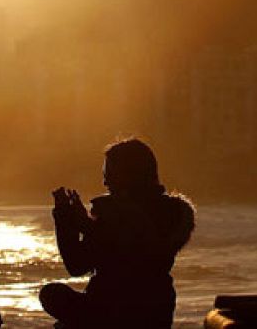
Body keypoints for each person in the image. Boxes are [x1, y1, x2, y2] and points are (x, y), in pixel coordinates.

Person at [40, 138, 195, 329]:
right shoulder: (173, 212)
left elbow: (77, 265)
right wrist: (86, 225)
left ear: (129, 174)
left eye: (110, 174)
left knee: (51, 294)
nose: (105, 182)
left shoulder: (112, 211)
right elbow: (131, 245)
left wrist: (68, 221)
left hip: (110, 309)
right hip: (158, 309)